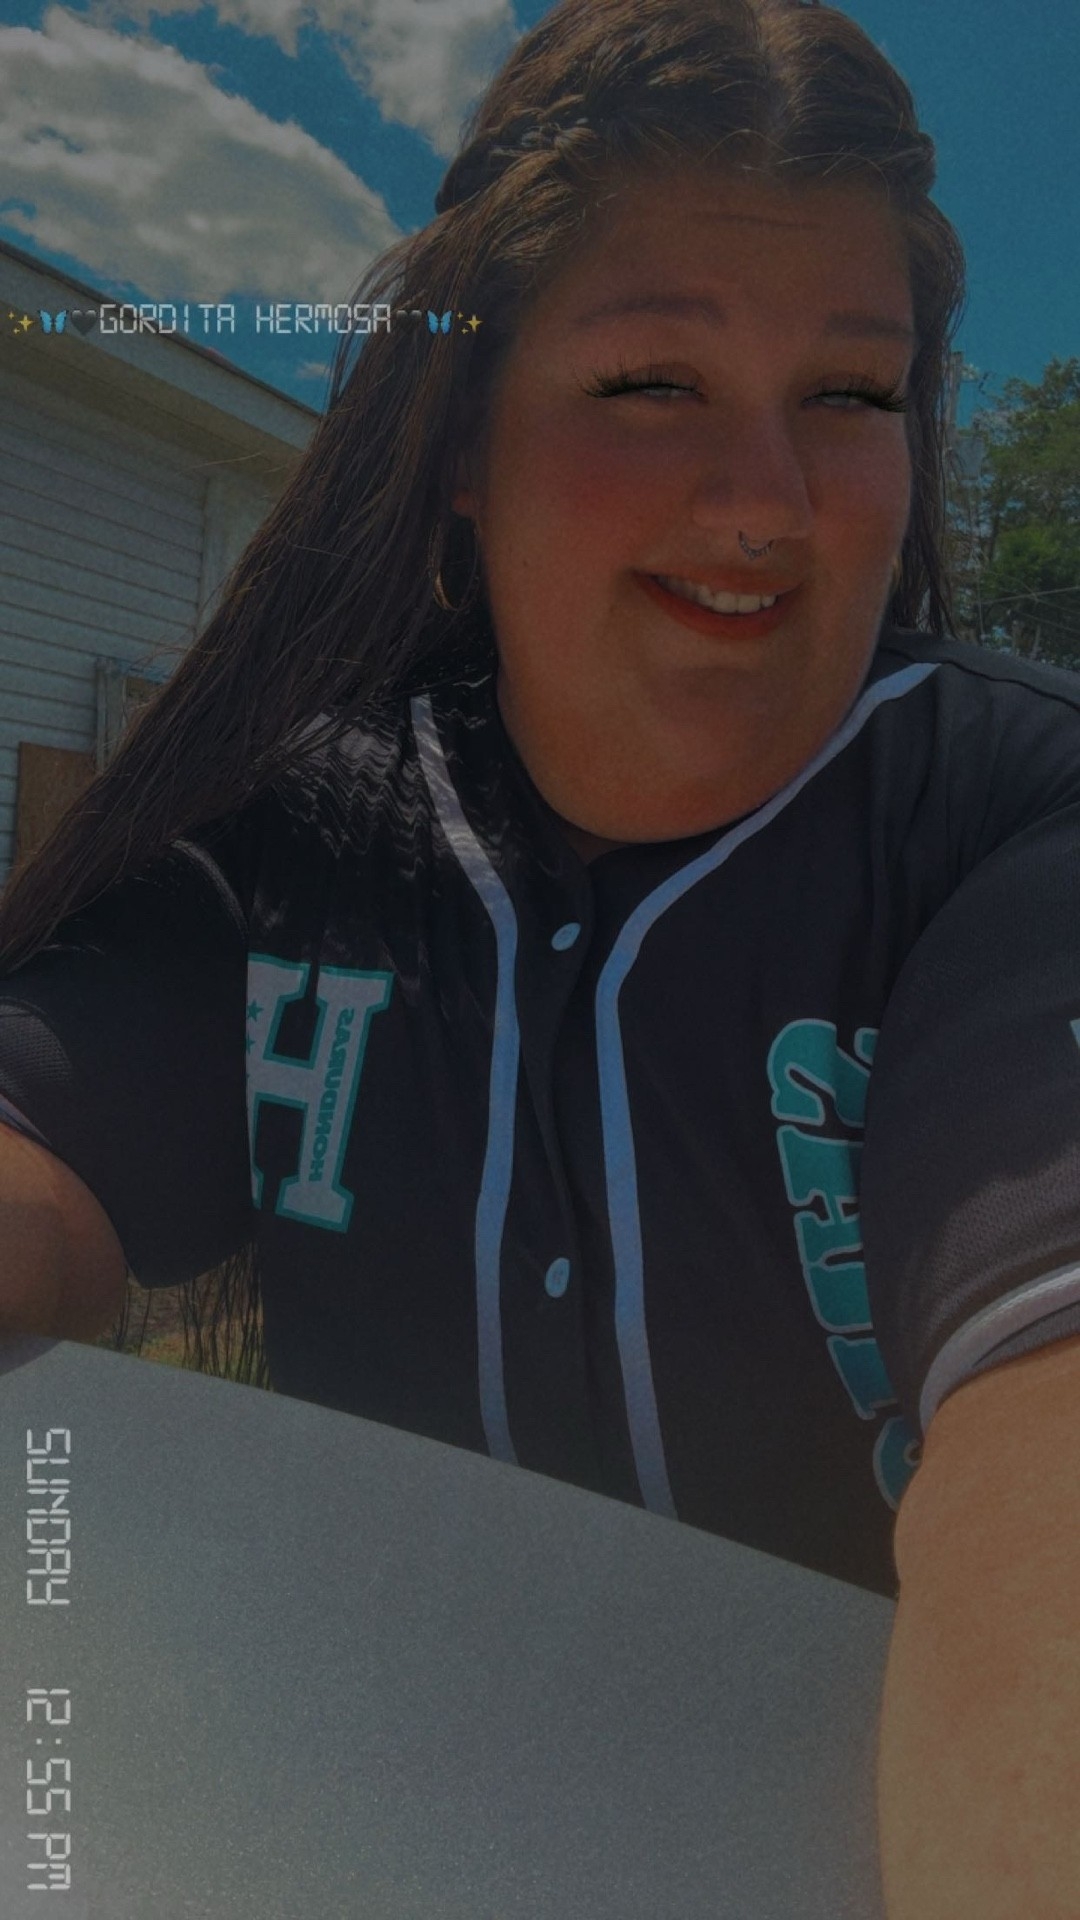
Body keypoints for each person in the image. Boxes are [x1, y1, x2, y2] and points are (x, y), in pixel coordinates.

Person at [2, 2, 1080, 1908]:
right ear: (460, 441)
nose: (764, 503)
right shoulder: (295, 834)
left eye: (852, 395)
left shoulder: (1012, 817)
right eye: (653, 381)